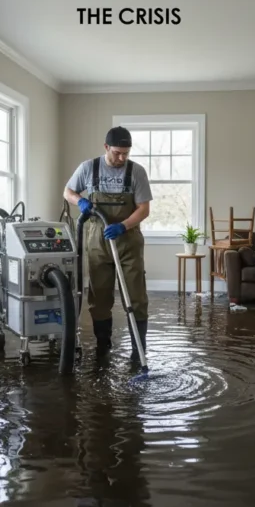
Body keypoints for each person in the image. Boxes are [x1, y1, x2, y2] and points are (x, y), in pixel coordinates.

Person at [63, 126, 153, 362]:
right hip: (97, 242)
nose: (122, 158)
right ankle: (103, 345)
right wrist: (80, 201)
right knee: (100, 297)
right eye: (117, 153)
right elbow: (68, 191)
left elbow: (144, 209)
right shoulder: (88, 168)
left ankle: (139, 349)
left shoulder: (136, 172)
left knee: (136, 297)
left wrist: (123, 225)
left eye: (126, 153)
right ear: (106, 147)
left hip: (128, 242)